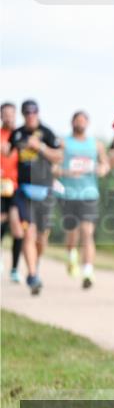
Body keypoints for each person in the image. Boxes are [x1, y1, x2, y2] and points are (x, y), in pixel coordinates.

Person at [8, 99, 62, 295]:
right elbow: (7, 153)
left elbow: (58, 156)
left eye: (34, 112)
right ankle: (32, 275)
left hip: (45, 189)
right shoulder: (17, 134)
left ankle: (35, 263)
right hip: (24, 190)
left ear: (38, 113)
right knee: (28, 232)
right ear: (23, 114)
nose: (31, 115)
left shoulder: (47, 133)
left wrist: (40, 147)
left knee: (42, 236)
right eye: (27, 113)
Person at [58, 110, 110, 289]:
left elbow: (105, 164)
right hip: (68, 194)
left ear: (87, 123)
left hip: (89, 194)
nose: (80, 123)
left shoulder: (96, 144)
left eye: (83, 120)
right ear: (72, 122)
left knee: (87, 232)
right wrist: (67, 172)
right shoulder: (64, 143)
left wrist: (102, 169)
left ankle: (88, 271)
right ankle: (71, 256)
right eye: (77, 120)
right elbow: (54, 168)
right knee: (72, 233)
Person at [1, 101, 24, 282]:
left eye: (11, 114)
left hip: (17, 187)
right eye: (5, 114)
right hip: (1, 186)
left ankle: (15, 268)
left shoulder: (21, 135)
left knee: (17, 228)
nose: (9, 117)